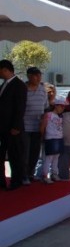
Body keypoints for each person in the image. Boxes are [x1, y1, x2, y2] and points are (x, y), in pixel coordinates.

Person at [0, 59, 27, 190]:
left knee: (15, 155)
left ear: (6, 70)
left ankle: (17, 180)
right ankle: (2, 181)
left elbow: (20, 107)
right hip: (2, 127)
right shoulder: (3, 85)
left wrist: (16, 126)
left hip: (13, 128)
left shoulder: (19, 85)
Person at [22, 67, 49, 185]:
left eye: (39, 75)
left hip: (38, 127)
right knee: (24, 153)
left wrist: (44, 122)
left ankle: (30, 174)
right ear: (29, 76)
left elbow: (46, 107)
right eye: (35, 75)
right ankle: (23, 176)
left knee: (35, 152)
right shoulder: (22, 89)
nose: (38, 78)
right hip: (24, 127)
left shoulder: (42, 90)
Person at [39, 96, 66, 183]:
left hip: (59, 138)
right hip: (50, 138)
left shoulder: (60, 117)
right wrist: (43, 136)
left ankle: (54, 173)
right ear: (56, 105)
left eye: (63, 107)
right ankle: (45, 175)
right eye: (61, 106)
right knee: (48, 158)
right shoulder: (49, 115)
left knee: (56, 157)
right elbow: (42, 126)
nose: (62, 108)